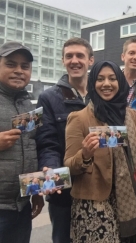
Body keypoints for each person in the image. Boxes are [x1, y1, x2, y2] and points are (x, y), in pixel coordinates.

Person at [64, 60, 136, 243]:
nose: (107, 84)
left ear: (120, 81)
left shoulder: (132, 116)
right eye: (100, 79)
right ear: (93, 83)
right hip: (95, 205)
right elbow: (68, 165)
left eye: (112, 78)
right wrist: (85, 154)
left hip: (131, 201)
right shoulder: (79, 118)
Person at [35, 37, 94, 243]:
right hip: (64, 193)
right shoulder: (48, 98)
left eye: (80, 56)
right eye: (69, 56)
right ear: (63, 60)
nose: (74, 60)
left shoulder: (101, 95)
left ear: (90, 61)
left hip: (98, 188)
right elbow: (47, 141)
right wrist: (49, 169)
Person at [0, 41, 44, 243]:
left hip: (22, 206)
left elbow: (31, 147)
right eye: (11, 64)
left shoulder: (27, 102)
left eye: (24, 66)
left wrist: (35, 191)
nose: (19, 71)